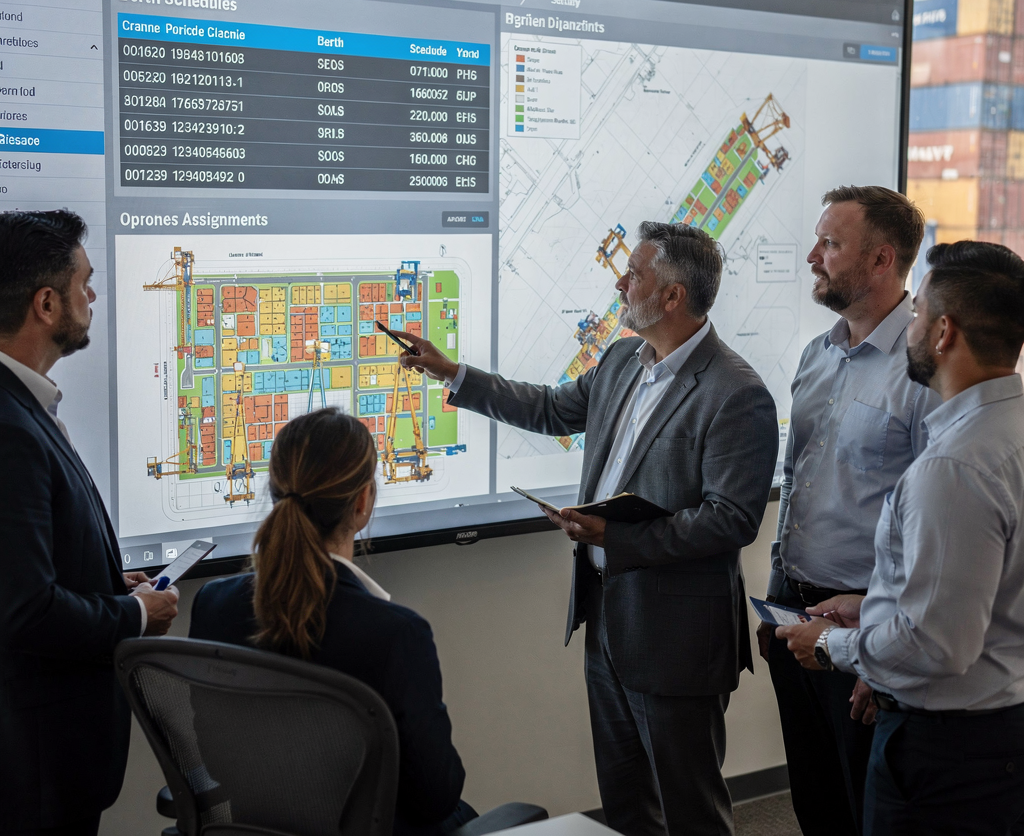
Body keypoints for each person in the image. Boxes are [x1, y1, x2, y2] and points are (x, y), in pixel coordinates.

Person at [397, 221, 778, 836]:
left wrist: (616, 538)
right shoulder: (624, 357)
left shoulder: (736, 393)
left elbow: (731, 521)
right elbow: (550, 408)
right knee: (627, 805)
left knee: (690, 810)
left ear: (673, 297)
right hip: (607, 623)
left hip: (677, 639)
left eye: (635, 273)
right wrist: (453, 374)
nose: (620, 282)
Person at [777, 240, 1024, 836]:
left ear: (943, 334)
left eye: (916, 316)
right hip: (999, 728)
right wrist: (873, 606)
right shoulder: (1008, 432)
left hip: (946, 748)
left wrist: (833, 648)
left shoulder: (955, 466)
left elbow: (937, 647)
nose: (907, 324)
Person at [189, 407, 473, 836]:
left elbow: (216, 759)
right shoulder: (396, 634)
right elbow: (436, 797)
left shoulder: (213, 604)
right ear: (362, 502)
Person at [759, 186, 938, 836]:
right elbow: (798, 482)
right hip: (795, 617)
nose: (813, 256)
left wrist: (875, 656)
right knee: (816, 803)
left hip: (868, 631)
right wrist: (779, 593)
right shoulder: (818, 354)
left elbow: (936, 529)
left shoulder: (927, 370)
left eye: (831, 245)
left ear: (882, 260)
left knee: (872, 815)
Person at [0, 209, 179, 836]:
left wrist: (105, 582)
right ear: (47, 304)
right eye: (85, 283)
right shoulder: (11, 428)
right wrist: (135, 614)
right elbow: (23, 609)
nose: (93, 296)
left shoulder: (25, 405)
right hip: (36, 771)